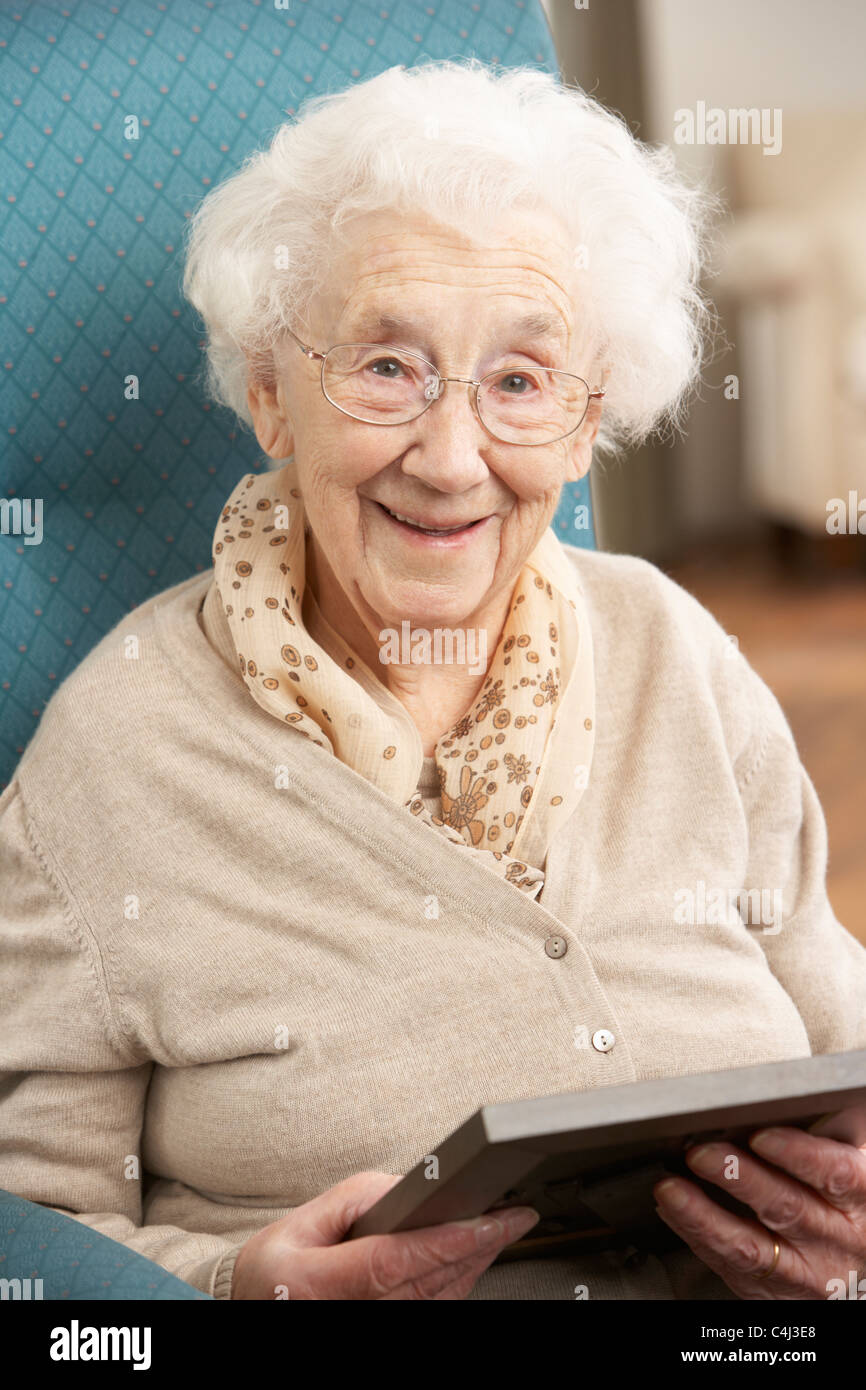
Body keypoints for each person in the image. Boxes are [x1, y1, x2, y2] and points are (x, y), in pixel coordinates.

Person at [2, 59, 865, 1301]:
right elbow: (29, 1254)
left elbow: (838, 1051)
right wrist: (247, 1286)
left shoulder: (672, 647)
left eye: (518, 381)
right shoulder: (117, 748)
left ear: (584, 424)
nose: (451, 459)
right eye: (387, 367)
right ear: (268, 392)